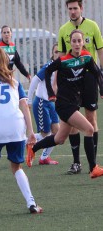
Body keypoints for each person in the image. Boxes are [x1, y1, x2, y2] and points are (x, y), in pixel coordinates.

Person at [0, 47, 42, 215]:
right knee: (16, 167)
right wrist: (31, 131)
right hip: (17, 127)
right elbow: (24, 106)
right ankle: (31, 203)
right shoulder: (13, 80)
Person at [28, 29, 103, 179]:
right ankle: (93, 168)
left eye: (79, 41)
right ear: (70, 43)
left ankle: (33, 148)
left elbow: (97, 73)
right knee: (89, 129)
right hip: (63, 104)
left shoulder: (86, 58)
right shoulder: (63, 60)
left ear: (83, 42)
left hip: (74, 102)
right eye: (74, 41)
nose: (76, 44)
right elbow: (48, 71)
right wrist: (50, 93)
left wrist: (101, 89)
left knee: (60, 138)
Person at [58, 0, 103, 174]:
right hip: (71, 81)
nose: (73, 11)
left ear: (81, 8)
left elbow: (100, 51)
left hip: (90, 78)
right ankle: (76, 162)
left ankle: (94, 162)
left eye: (75, 8)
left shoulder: (92, 26)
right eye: (70, 9)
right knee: (73, 121)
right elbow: (61, 57)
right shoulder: (63, 30)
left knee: (91, 118)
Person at [26, 43, 60, 166]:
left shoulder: (62, 66)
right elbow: (35, 80)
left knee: (58, 133)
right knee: (44, 134)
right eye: (55, 51)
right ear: (52, 53)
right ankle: (22, 142)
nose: (58, 54)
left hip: (52, 104)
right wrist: (28, 100)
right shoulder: (48, 66)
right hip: (41, 103)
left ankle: (44, 157)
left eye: (60, 51)